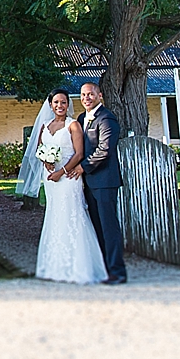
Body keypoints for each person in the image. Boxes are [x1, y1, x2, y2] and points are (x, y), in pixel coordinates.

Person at [31, 90, 108, 284]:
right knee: (54, 216)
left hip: (69, 177)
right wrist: (45, 162)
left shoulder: (73, 125)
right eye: (56, 102)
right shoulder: (44, 126)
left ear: (68, 105)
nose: (59, 106)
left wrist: (62, 171)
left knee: (72, 215)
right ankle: (55, 265)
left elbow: (79, 154)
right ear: (50, 105)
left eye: (63, 102)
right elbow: (39, 148)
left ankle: (79, 267)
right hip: (50, 178)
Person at [72, 81, 127, 284]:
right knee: (96, 226)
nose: (87, 98)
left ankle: (117, 272)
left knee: (109, 227)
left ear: (99, 96)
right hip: (88, 183)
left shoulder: (107, 119)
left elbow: (105, 149)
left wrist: (83, 167)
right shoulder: (81, 118)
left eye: (90, 94)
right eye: (83, 95)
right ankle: (103, 268)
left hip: (105, 181)